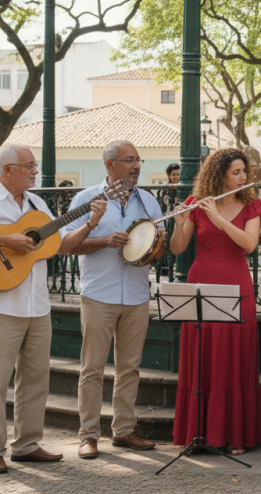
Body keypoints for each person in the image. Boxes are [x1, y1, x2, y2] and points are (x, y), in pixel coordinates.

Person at [0, 145, 106, 474]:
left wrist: (91, 223)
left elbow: (63, 245)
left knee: (35, 380)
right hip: (4, 305)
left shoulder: (38, 205)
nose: (35, 170)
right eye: (29, 165)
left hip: (37, 305)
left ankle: (26, 445)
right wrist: (6, 240)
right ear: (7, 169)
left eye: (35, 165)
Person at [62, 140, 166, 460]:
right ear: (110, 165)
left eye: (139, 160)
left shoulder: (148, 201)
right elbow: (67, 246)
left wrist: (157, 244)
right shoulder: (85, 199)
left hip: (136, 294)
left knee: (130, 368)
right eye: (129, 160)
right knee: (92, 368)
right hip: (98, 294)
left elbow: (157, 252)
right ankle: (88, 435)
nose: (137, 166)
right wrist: (104, 240)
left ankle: (123, 430)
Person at [170, 148, 261, 455]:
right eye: (236, 172)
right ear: (219, 174)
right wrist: (180, 222)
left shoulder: (252, 205)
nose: (243, 177)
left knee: (232, 357)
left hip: (236, 281)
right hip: (202, 279)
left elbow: (249, 244)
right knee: (201, 355)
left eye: (244, 171)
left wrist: (217, 218)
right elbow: (177, 248)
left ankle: (234, 435)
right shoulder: (196, 203)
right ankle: (197, 433)